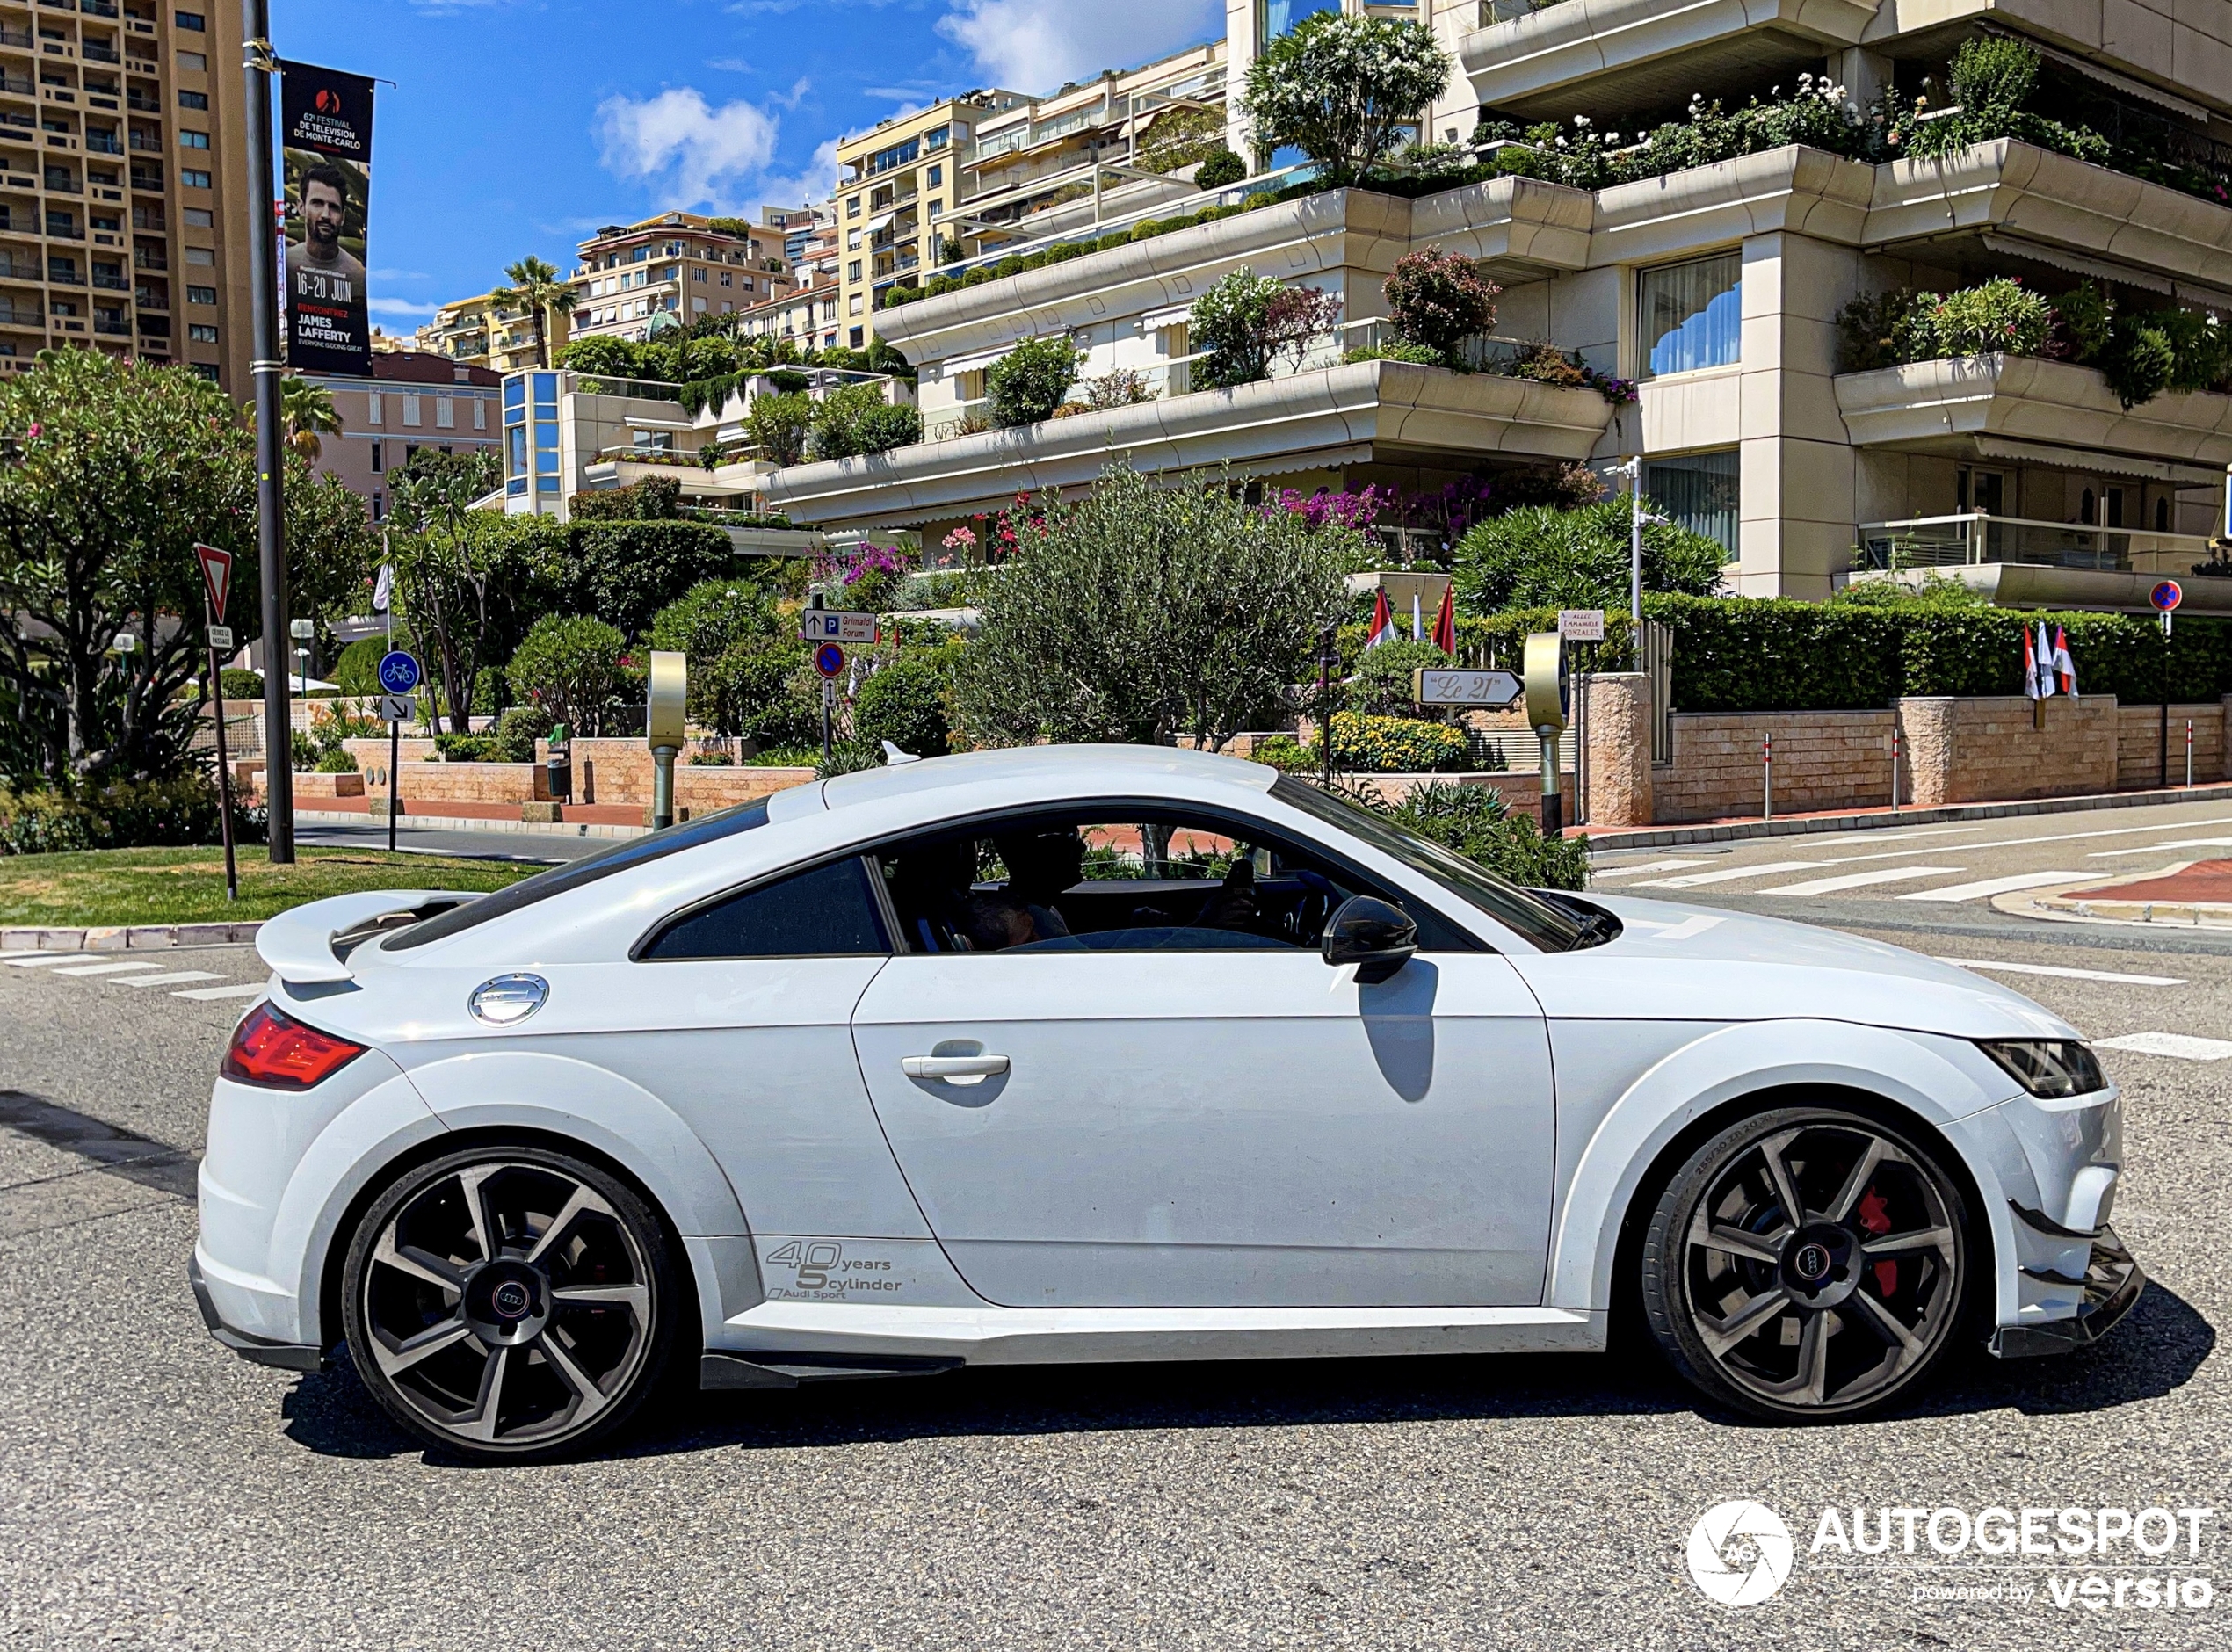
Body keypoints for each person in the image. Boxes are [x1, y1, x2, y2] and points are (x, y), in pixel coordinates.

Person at [285, 161, 366, 319]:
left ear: (343, 217)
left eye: (334, 207)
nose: (325, 215)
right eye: (317, 204)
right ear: (301, 207)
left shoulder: (358, 276)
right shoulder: (286, 264)